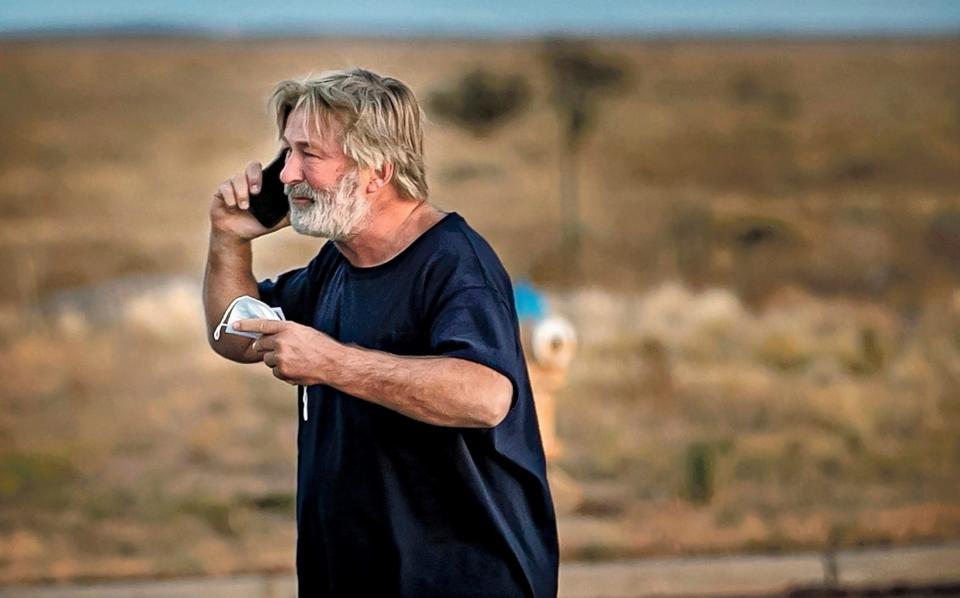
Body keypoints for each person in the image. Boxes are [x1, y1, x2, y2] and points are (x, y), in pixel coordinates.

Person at [202, 68, 559, 597]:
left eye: (309, 154)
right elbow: (233, 333)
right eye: (286, 152)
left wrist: (333, 363)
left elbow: (485, 396)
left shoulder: (454, 263)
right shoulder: (337, 264)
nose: (285, 174)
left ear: (377, 171)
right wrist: (229, 239)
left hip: (460, 582)